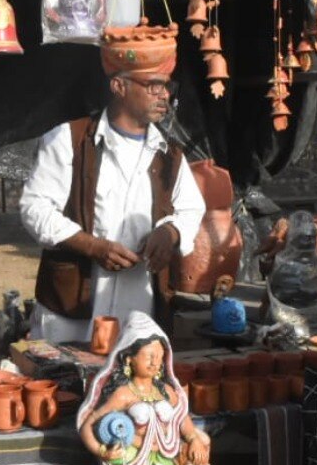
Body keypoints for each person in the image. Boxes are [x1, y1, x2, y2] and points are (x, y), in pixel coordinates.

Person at [20, 26, 206, 344]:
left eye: (167, 86)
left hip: (140, 306)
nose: (165, 95)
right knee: (68, 386)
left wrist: (170, 232)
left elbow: (191, 208)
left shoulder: (169, 154)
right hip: (74, 307)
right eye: (154, 86)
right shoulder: (69, 139)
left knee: (131, 384)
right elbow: (34, 209)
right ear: (119, 85)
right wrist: (94, 247)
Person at [76, 311, 212, 465]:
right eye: (149, 356)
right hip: (133, 463)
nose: (155, 362)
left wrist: (193, 439)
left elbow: (183, 421)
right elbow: (88, 423)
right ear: (129, 359)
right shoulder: (123, 394)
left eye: (159, 357)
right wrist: (101, 451)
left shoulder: (167, 392)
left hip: (164, 460)